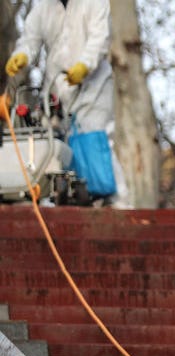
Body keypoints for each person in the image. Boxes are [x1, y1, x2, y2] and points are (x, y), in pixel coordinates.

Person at [5, 0, 127, 205]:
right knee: (55, 145)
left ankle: (119, 203)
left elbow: (100, 38)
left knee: (96, 139)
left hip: (93, 86)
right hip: (57, 89)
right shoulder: (43, 8)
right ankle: (63, 201)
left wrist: (84, 65)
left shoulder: (95, 3)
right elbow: (30, 39)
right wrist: (22, 55)